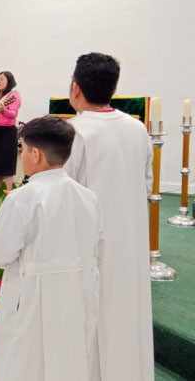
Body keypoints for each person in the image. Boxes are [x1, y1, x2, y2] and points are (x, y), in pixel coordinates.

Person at [0, 115, 104, 381]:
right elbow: (98, 248)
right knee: (73, 361)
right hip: (78, 296)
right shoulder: (89, 197)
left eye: (22, 149)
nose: (21, 155)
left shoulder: (24, 198)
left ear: (35, 154)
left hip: (33, 298)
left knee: (27, 363)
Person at [62, 52, 154, 381]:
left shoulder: (73, 132)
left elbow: (62, 196)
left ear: (75, 87)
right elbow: (146, 185)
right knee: (127, 317)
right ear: (114, 89)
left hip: (90, 246)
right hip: (131, 242)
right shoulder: (138, 129)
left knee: (93, 323)